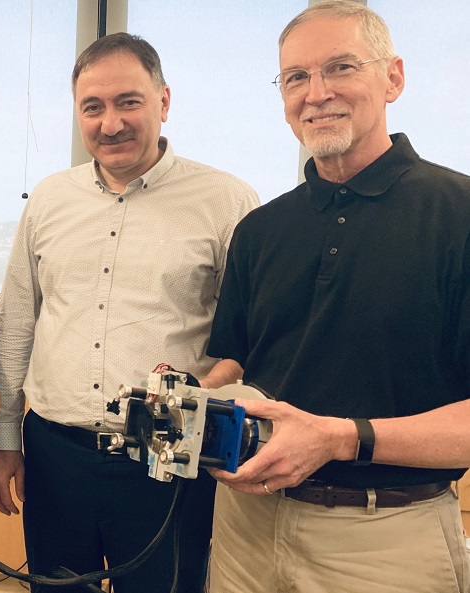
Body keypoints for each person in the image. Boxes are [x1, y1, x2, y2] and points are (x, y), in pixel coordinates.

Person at [205, 2, 470, 592]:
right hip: (246, 527)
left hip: (385, 539)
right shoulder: (260, 230)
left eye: (341, 67)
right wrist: (187, 397)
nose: (316, 93)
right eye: (295, 77)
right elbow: (242, 361)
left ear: (392, 77)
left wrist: (342, 437)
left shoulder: (459, 216)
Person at [0, 32, 258, 593]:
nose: (110, 123)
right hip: (55, 449)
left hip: (170, 448)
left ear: (164, 100)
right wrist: (5, 435)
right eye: (93, 107)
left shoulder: (226, 201)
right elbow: (16, 324)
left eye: (128, 102)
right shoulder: (49, 199)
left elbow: (249, 339)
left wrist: (198, 393)